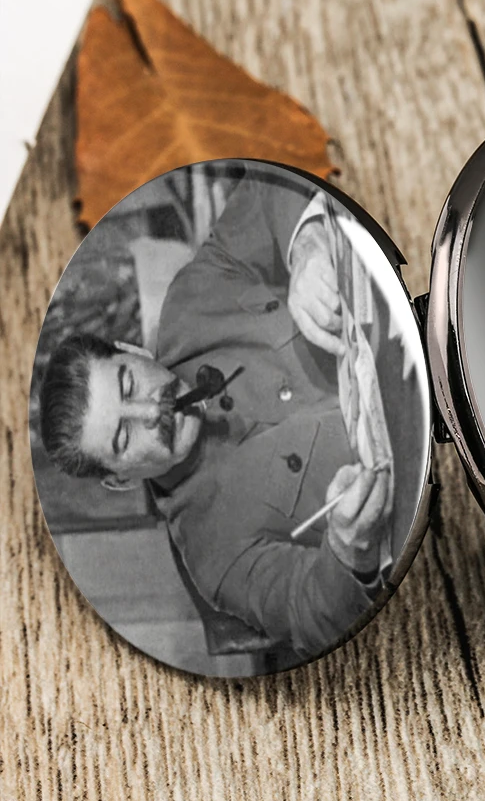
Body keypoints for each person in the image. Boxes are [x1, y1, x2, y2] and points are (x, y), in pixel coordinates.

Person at [38, 171, 401, 660]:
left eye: (128, 384)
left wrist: (307, 247)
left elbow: (267, 189)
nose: (151, 410)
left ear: (131, 350)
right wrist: (348, 547)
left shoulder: (193, 300)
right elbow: (309, 614)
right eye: (124, 436)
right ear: (121, 480)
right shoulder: (213, 558)